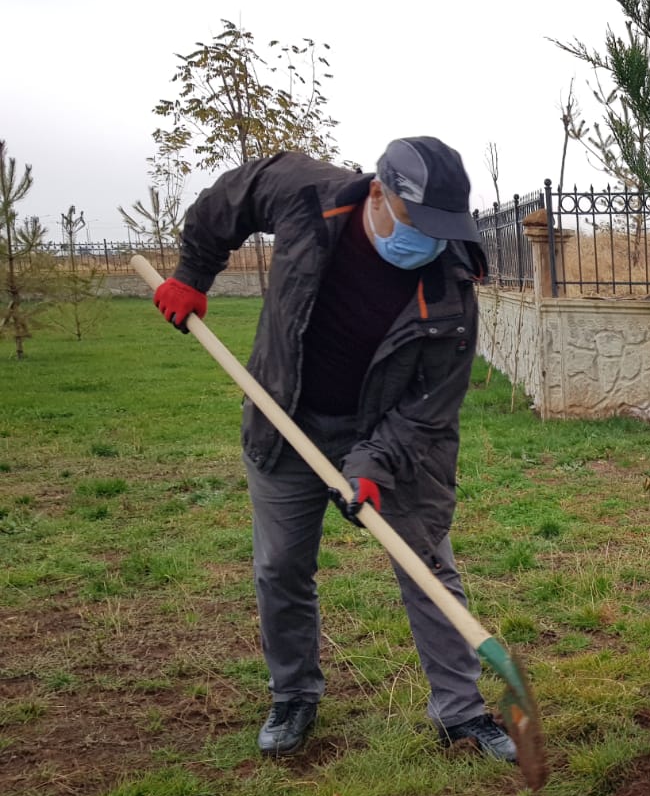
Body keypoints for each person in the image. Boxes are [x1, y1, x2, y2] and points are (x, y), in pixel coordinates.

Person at [151, 137, 517, 763]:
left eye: (439, 230)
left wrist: (372, 465)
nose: (426, 242)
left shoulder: (452, 289)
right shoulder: (305, 193)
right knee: (281, 568)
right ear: (379, 193)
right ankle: (293, 695)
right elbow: (226, 203)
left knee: (427, 563)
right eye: (416, 224)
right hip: (285, 414)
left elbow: (430, 412)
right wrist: (192, 274)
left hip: (388, 430)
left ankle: (461, 712)